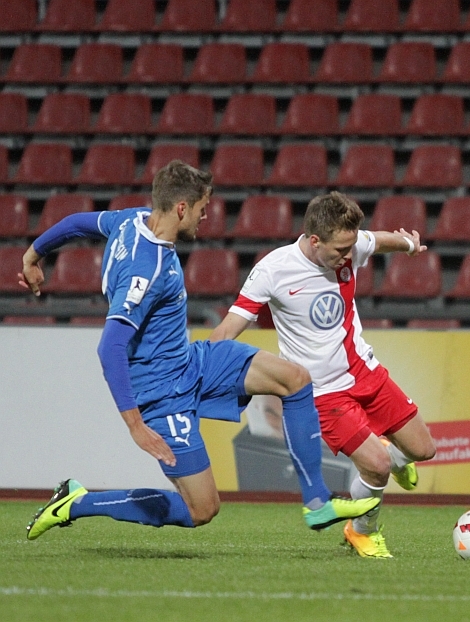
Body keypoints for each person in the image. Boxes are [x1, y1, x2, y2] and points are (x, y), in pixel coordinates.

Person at [19, 161, 379, 541]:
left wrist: (33, 255)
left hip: (192, 362)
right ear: (181, 208)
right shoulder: (147, 270)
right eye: (202, 208)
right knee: (201, 509)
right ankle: (76, 502)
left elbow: (76, 223)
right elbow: (110, 348)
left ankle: (317, 502)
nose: (206, 217)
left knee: (295, 379)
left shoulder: (131, 220)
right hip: (161, 392)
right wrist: (136, 426)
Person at [209, 191, 437, 559]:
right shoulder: (273, 270)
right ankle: (362, 532)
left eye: (351, 247)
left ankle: (390, 457)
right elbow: (229, 327)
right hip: (322, 393)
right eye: (341, 250)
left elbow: (378, 240)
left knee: (424, 450)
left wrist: (409, 245)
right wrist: (200, 366)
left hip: (365, 371)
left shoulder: (350, 244)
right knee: (376, 468)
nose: (348, 256)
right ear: (315, 240)